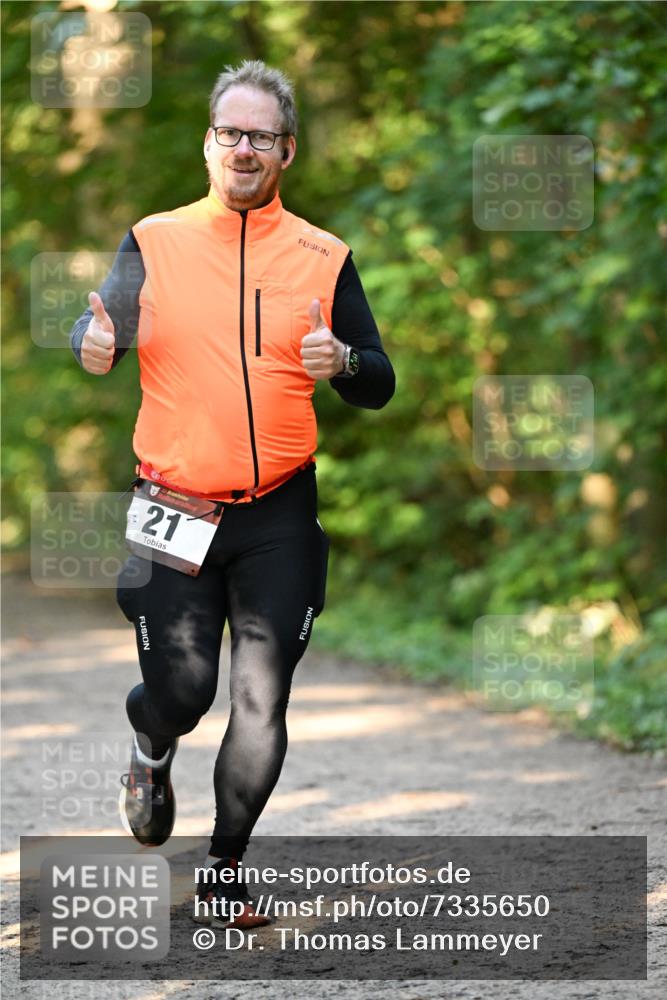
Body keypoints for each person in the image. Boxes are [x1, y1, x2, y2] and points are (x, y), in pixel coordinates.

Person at [69, 60, 395, 929]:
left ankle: (224, 866)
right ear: (207, 143)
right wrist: (90, 342)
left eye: (260, 136)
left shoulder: (323, 256)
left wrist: (348, 364)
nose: (242, 147)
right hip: (174, 508)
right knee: (182, 693)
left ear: (286, 151)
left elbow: (378, 378)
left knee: (261, 695)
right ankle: (151, 745)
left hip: (279, 514)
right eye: (229, 132)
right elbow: (99, 324)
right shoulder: (156, 237)